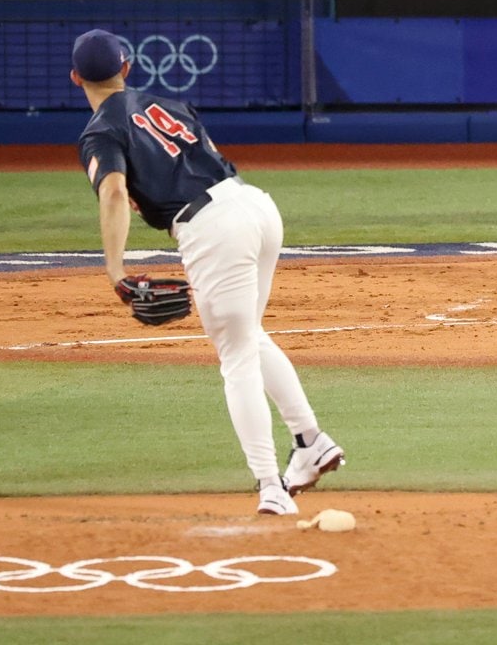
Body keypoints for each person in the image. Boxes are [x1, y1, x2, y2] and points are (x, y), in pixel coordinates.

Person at [69, 28, 345, 516]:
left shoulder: (100, 131)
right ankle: (311, 442)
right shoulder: (170, 104)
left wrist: (115, 270)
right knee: (249, 337)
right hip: (256, 204)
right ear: (127, 68)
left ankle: (270, 488)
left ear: (76, 79)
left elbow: (113, 193)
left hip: (213, 229)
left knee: (235, 358)